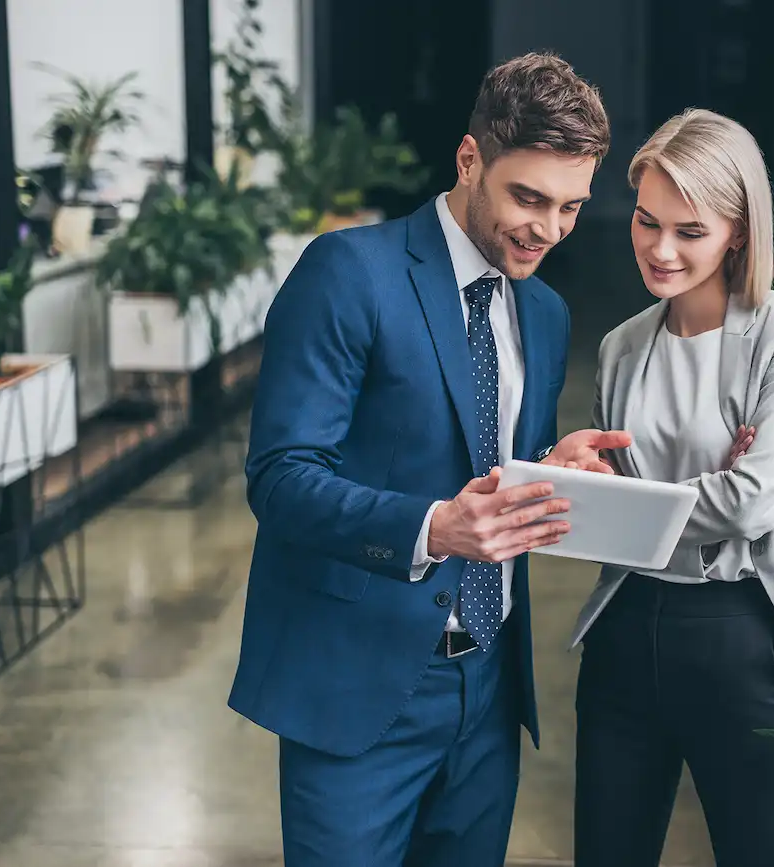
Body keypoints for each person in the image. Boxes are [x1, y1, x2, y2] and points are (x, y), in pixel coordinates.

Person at [228, 53, 628, 867]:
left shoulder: (544, 313)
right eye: (529, 198)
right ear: (470, 159)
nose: (547, 229)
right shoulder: (349, 273)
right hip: (359, 687)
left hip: (487, 690)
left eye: (572, 207)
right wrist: (434, 526)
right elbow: (280, 477)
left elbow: (489, 463)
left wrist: (553, 465)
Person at [570, 108, 774, 866]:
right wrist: (714, 484)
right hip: (627, 626)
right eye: (646, 221)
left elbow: (752, 502)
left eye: (689, 230)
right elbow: (618, 508)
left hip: (740, 628)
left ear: (738, 230)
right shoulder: (620, 347)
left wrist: (667, 499)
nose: (659, 248)